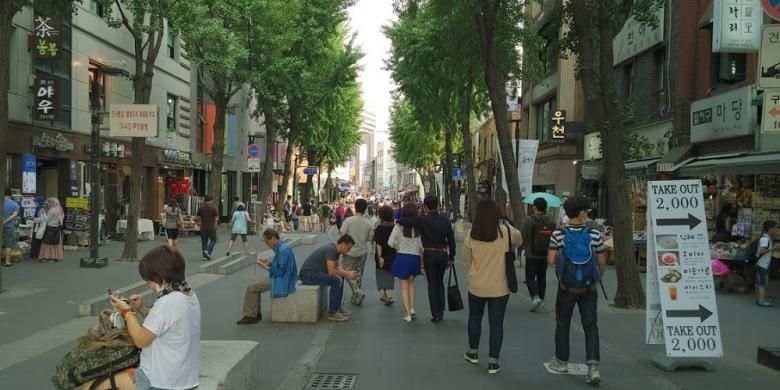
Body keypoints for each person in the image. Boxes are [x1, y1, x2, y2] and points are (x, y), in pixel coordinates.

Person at [108, 245, 201, 390]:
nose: (148, 284)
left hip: (158, 381)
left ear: (160, 277)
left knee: (94, 384)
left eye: (148, 279)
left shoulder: (167, 302)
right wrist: (141, 309)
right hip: (184, 379)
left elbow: (140, 340)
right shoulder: (188, 295)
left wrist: (127, 311)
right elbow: (166, 324)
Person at [546, 196, 607, 385]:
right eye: (586, 211)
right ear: (581, 213)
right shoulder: (594, 234)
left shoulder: (558, 234)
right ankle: (593, 368)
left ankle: (561, 361)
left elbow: (550, 260)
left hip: (566, 287)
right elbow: (602, 260)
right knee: (591, 325)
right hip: (589, 287)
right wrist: (597, 278)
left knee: (563, 323)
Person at [462, 199, 521, 374]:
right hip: (500, 287)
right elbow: (519, 240)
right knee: (496, 324)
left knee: (474, 318)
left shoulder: (471, 235)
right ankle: (493, 362)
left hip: (476, 285)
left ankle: (473, 353)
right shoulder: (506, 232)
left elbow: (467, 260)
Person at [397, 195, 456, 323]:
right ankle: (441, 310)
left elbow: (406, 221)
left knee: (432, 284)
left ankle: (435, 314)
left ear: (425, 207)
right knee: (440, 282)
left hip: (429, 254)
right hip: (442, 254)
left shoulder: (422, 220)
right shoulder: (445, 220)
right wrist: (452, 255)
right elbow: (451, 239)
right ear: (438, 206)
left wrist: (397, 221)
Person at [237, 228, 298, 324]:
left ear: (273, 238)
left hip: (283, 279)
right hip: (285, 277)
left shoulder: (281, 250)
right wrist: (269, 263)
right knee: (254, 285)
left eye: (267, 241)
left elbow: (280, 272)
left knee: (252, 287)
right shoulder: (281, 247)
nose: (266, 244)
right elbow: (281, 266)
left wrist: (266, 267)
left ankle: (251, 315)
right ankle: (255, 313)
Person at [299, 236, 358, 321]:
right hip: (308, 275)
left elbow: (337, 267)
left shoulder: (335, 250)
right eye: (348, 249)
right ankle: (333, 312)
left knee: (341, 276)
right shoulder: (331, 250)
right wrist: (347, 274)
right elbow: (331, 271)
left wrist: (347, 273)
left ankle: (337, 306)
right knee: (336, 280)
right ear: (343, 244)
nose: (348, 251)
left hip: (314, 273)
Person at [520, 197, 556, 312]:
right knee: (542, 276)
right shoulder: (551, 220)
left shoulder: (528, 220)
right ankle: (542, 299)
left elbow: (523, 236)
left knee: (530, 277)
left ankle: (535, 297)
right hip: (545, 253)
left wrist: (521, 248)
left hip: (531, 254)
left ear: (534, 207)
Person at [389, 203, 423, 322]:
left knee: (403, 286)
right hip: (415, 257)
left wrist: (398, 246)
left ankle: (407, 313)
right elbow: (421, 245)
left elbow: (390, 242)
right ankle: (413, 308)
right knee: (411, 284)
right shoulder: (418, 227)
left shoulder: (398, 226)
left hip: (402, 256)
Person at [340, 198, 374, 306]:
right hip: (362, 251)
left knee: (346, 273)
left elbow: (342, 234)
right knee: (358, 275)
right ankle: (356, 297)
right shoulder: (368, 223)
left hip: (349, 251)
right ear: (365, 209)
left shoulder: (348, 221)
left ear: (355, 207)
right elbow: (370, 238)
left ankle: (357, 293)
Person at [373, 205, 397, 306]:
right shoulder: (395, 227)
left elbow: (378, 243)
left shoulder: (380, 228)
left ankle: (388, 294)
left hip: (382, 253)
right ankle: (384, 295)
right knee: (389, 271)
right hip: (392, 252)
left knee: (382, 273)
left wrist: (379, 256)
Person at [755, 220, 778, 307]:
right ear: (770, 229)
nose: (776, 230)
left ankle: (758, 298)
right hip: (762, 264)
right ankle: (762, 300)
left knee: (759, 282)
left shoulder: (765, 238)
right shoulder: (765, 239)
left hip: (760, 264)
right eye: (775, 228)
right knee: (762, 283)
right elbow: (761, 251)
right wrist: (773, 248)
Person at [39, 197, 65, 263]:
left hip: (50, 228)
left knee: (48, 243)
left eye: (49, 203)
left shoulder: (51, 211)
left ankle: (48, 257)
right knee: (55, 244)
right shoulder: (59, 210)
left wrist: (44, 213)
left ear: (52, 203)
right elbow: (62, 218)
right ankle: (55, 256)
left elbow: (46, 220)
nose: (48, 204)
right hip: (57, 228)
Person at [196, 195, 219, 260]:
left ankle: (205, 255)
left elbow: (198, 218)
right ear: (211, 200)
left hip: (203, 227)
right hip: (211, 227)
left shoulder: (201, 209)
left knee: (204, 241)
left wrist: (199, 225)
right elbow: (216, 219)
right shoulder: (214, 209)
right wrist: (215, 226)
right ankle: (208, 251)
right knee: (213, 240)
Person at [2, 188, 19, 267]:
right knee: (8, 244)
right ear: (11, 194)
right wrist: (5, 221)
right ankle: (7, 261)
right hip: (8, 226)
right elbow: (14, 215)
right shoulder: (15, 205)